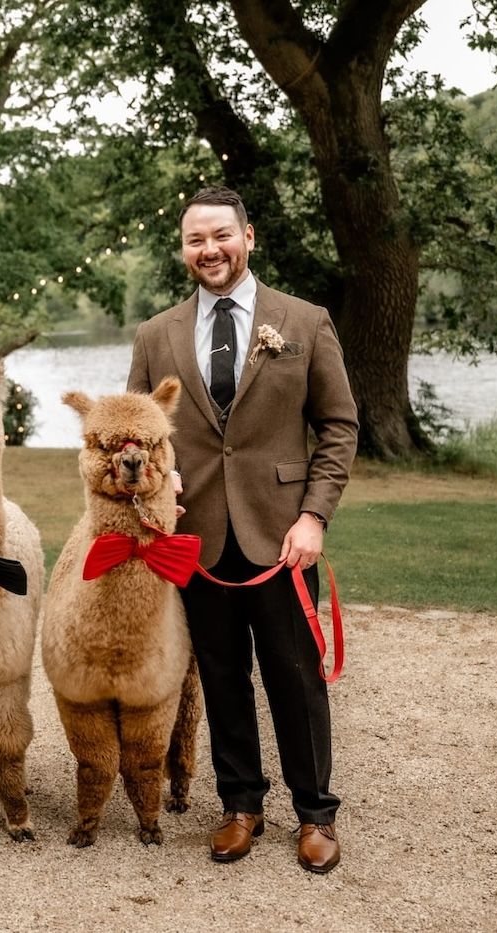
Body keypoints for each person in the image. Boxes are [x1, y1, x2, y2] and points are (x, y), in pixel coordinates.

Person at [126, 186, 358, 873]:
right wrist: (155, 483)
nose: (210, 250)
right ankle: (240, 805)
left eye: (221, 235)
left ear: (247, 237)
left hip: (281, 536)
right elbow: (138, 432)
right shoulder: (155, 335)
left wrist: (314, 516)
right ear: (184, 249)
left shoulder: (305, 321)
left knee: (295, 678)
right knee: (222, 677)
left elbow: (339, 426)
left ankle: (315, 812)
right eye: (195, 240)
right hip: (195, 537)